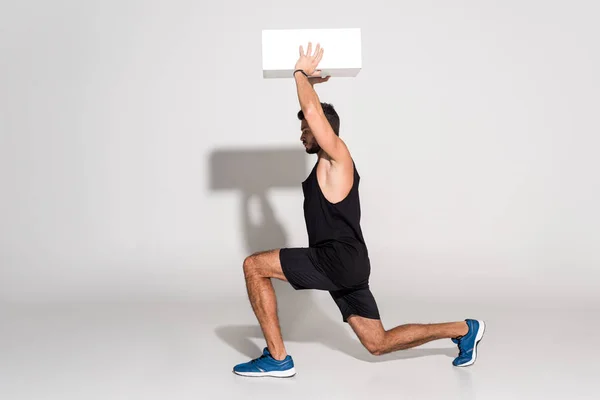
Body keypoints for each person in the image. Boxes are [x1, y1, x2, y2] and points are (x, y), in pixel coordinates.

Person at [233, 42, 485, 377]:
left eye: (306, 130)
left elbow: (312, 113)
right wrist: (252, 195)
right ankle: (464, 329)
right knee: (377, 343)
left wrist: (299, 73)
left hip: (335, 259)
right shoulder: (325, 166)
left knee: (253, 266)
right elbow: (311, 114)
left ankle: (277, 359)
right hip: (349, 263)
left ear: (323, 129)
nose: (302, 137)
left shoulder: (338, 157)